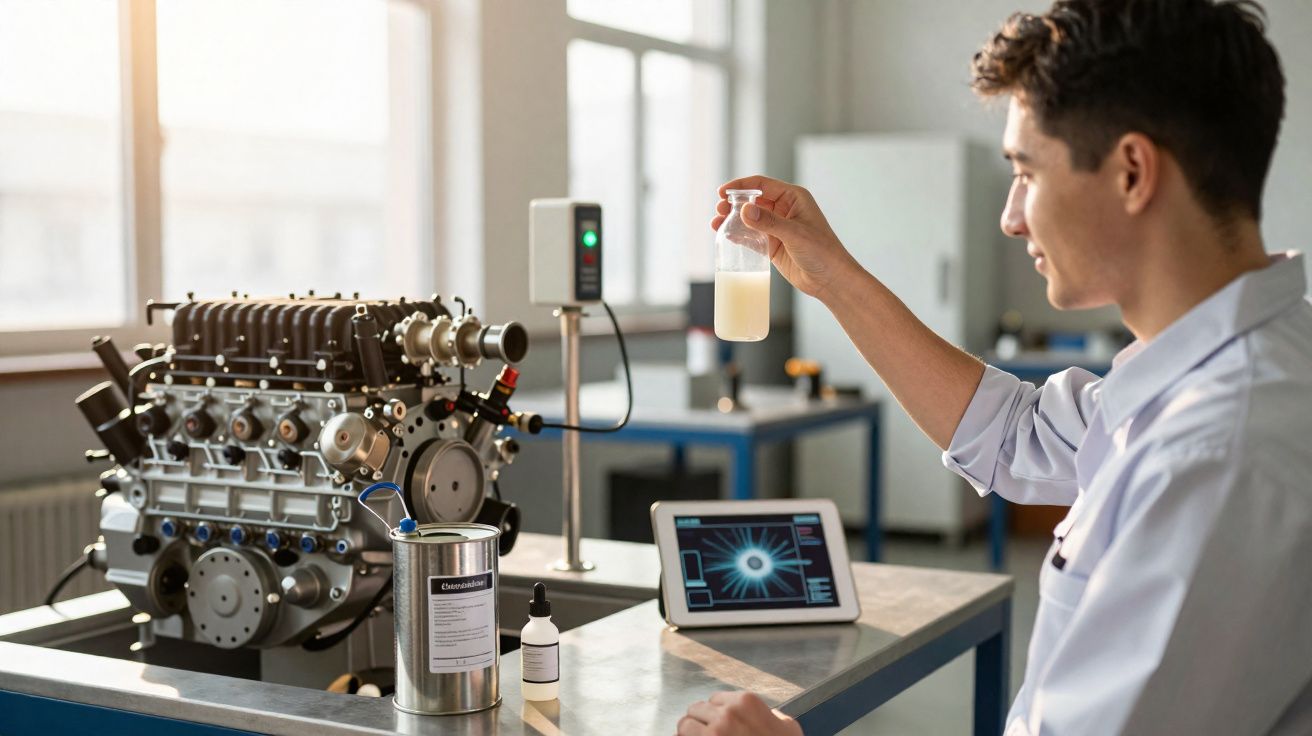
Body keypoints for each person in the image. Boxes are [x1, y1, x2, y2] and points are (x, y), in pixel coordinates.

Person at [678, 0, 1312, 734]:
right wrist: (831, 276)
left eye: (1026, 173)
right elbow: (1014, 433)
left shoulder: (1216, 459)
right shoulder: (1231, 370)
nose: (1012, 217)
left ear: (1133, 172)